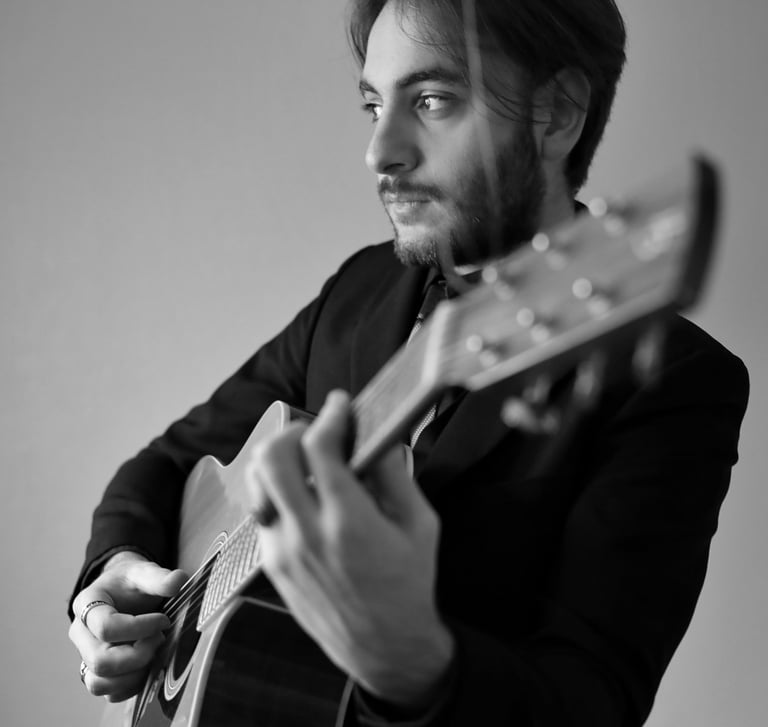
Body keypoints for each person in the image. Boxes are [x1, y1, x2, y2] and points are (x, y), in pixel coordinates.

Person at [68, 1, 749, 725]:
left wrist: (411, 659)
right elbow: (167, 463)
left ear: (556, 114)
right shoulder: (359, 292)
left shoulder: (671, 382)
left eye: (430, 100)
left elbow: (590, 703)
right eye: (373, 106)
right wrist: (113, 576)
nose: (379, 151)